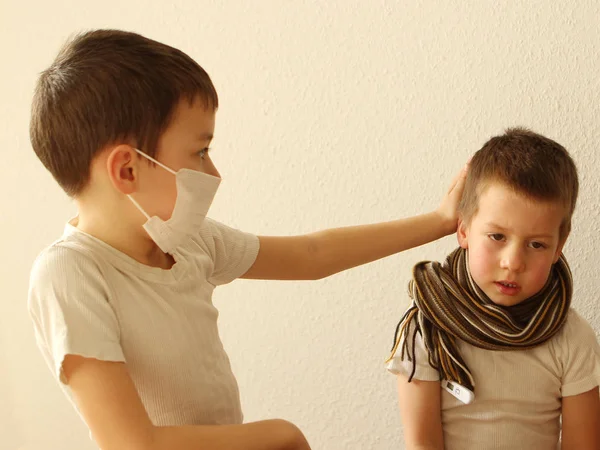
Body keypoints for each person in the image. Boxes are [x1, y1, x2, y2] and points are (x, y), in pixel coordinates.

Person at [28, 29, 467, 450]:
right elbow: (132, 443)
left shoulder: (189, 243)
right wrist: (281, 434)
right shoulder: (70, 275)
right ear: (127, 169)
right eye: (200, 151)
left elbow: (312, 255)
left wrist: (440, 221)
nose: (214, 173)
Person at [386, 128, 600, 450]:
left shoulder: (571, 338)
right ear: (463, 229)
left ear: (559, 248)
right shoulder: (427, 329)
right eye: (497, 237)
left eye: (537, 244)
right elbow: (423, 444)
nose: (513, 262)